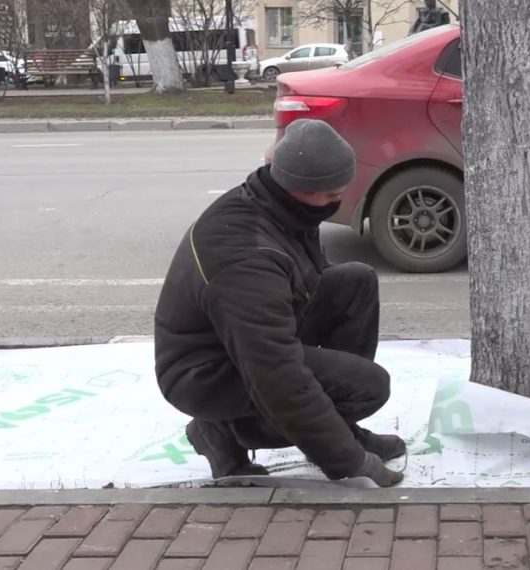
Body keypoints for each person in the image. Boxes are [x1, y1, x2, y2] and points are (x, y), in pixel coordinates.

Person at [153, 119, 405, 487]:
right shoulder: (246, 258)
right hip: (205, 372)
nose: (337, 202)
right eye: (331, 195)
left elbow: (309, 280)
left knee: (355, 282)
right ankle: (222, 432)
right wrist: (348, 460)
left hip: (240, 340)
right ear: (299, 186)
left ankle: (338, 428)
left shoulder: (280, 203)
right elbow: (277, 375)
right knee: (368, 387)